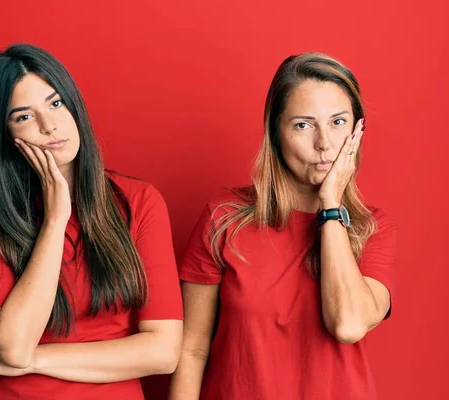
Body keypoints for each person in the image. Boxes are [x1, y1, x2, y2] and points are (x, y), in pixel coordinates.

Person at [0, 43, 183, 399]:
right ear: (5, 135)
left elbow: (163, 352)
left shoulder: (138, 201)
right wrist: (56, 219)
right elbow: (12, 345)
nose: (49, 125)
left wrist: (34, 360)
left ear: (74, 107)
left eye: (56, 103)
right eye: (23, 116)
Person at [169, 52, 399, 400]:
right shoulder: (225, 217)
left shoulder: (372, 228)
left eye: (338, 122)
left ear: (357, 130)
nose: (324, 143)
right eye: (303, 125)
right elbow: (191, 350)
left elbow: (348, 325)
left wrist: (331, 207)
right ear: (276, 132)